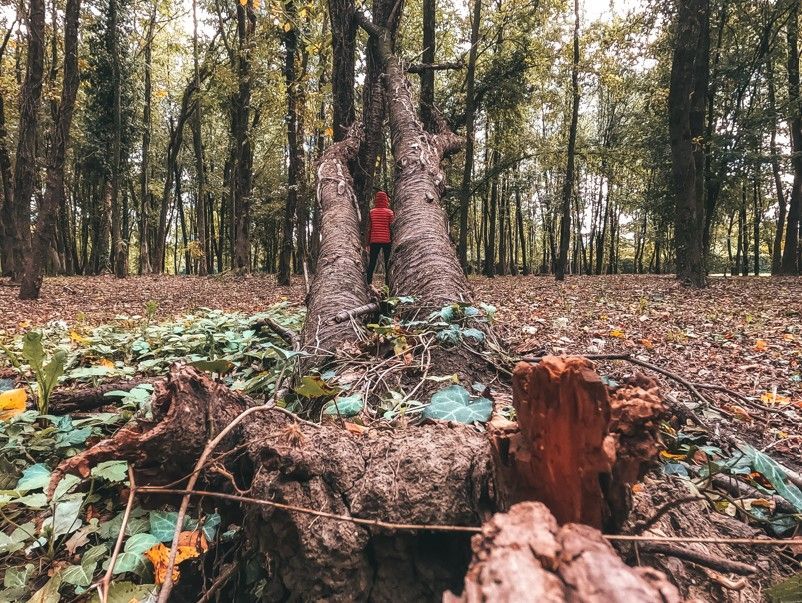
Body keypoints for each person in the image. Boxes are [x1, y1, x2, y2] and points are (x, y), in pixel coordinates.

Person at [366, 190, 394, 284]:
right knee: (387, 264)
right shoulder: (389, 212)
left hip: (374, 240)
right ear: (386, 200)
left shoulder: (371, 212)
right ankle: (388, 284)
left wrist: (367, 242)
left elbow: (369, 228)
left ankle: (368, 283)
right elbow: (391, 227)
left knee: (372, 263)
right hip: (387, 240)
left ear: (376, 200)